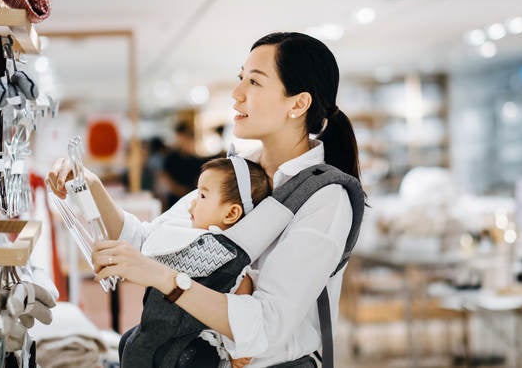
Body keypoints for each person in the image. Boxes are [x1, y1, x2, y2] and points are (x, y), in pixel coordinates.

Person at [48, 32, 362, 367]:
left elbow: (266, 325)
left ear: (298, 104)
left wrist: (164, 278)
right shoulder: (236, 173)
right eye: (242, 78)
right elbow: (152, 244)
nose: (237, 93)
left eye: (254, 82)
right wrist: (92, 187)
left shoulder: (326, 198)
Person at [118, 156, 271, 367]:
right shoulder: (185, 242)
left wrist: (237, 349)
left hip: (196, 344)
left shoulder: (232, 262)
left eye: (202, 196)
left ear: (231, 213)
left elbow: (238, 310)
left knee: (191, 359)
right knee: (128, 341)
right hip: (160, 335)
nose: (191, 202)